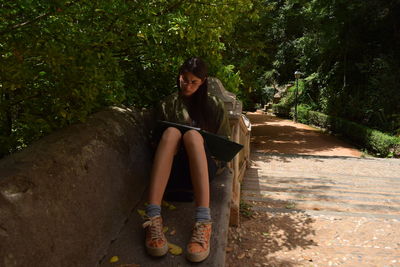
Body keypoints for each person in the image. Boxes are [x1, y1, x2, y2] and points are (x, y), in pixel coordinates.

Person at [143, 57, 231, 262]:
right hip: (170, 172)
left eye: (194, 82)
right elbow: (154, 142)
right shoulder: (167, 104)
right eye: (185, 79)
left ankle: (203, 222)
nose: (188, 85)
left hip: (202, 173)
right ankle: (152, 218)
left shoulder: (214, 105)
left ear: (203, 81)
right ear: (179, 76)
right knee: (172, 133)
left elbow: (224, 147)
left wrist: (201, 145)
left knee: (193, 136)